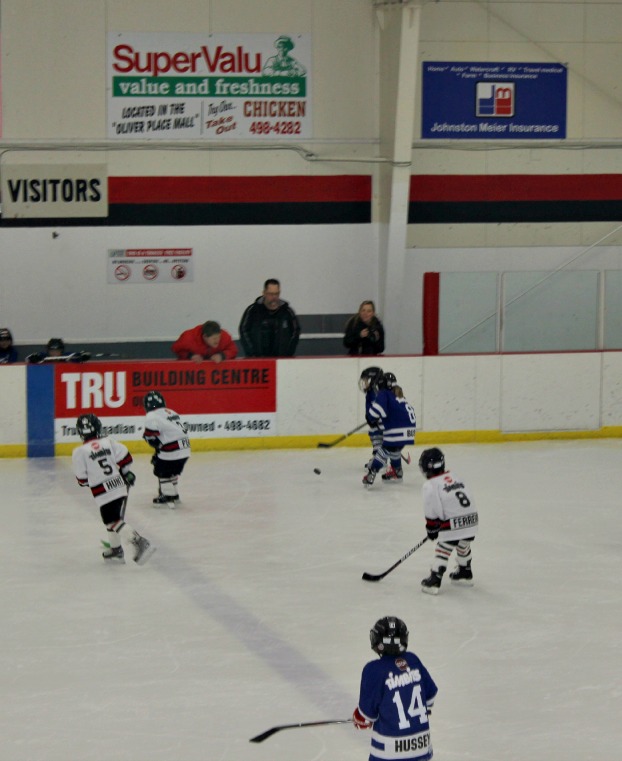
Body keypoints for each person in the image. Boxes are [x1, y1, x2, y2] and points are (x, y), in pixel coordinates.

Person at [72, 413, 155, 565]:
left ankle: (139, 541)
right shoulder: (108, 442)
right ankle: (116, 551)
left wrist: (92, 479)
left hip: (103, 493)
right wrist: (125, 472)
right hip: (119, 487)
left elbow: (82, 480)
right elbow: (126, 458)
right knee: (113, 519)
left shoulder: (79, 452)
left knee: (111, 520)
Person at [353, 616, 438, 761]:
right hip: (421, 748)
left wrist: (359, 718)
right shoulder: (413, 660)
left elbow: (366, 716)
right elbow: (430, 698)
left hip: (389, 753)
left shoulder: (373, 669)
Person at [418, 448, 478, 595]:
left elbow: (431, 508)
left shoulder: (430, 485)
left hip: (453, 524)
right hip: (472, 521)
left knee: (443, 548)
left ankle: (435, 579)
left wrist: (432, 528)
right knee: (463, 544)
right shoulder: (455, 476)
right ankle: (465, 572)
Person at [363, 371, 416, 486]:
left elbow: (376, 411)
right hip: (409, 431)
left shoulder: (384, 393)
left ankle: (371, 473)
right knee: (394, 450)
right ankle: (397, 471)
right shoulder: (398, 393)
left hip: (397, 431)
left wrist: (370, 417)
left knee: (384, 451)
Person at [142, 390, 191, 506]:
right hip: (186, 449)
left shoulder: (151, 415)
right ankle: (174, 493)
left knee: (161, 471)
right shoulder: (171, 412)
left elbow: (150, 436)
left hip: (172, 450)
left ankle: (168, 495)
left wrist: (157, 450)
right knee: (172, 471)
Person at [238, 278, 300, 357]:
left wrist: (288, 353)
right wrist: (252, 354)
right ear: (264, 293)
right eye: (271, 294)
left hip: (281, 359)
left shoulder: (287, 312)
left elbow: (295, 331)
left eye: (276, 294)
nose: (274, 297)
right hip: (257, 359)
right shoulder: (252, 311)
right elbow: (243, 330)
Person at [172, 320, 238, 363]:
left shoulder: (225, 337)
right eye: (214, 338)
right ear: (205, 337)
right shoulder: (188, 338)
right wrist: (190, 356)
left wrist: (222, 355)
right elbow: (176, 349)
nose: (217, 340)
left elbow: (233, 350)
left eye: (219, 337)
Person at [359, 366, 384, 469]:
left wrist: (372, 418)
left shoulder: (375, 393)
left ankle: (380, 460)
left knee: (375, 433)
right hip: (382, 422)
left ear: (373, 381)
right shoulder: (372, 392)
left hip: (382, 423)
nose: (364, 383)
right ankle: (379, 458)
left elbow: (377, 410)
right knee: (375, 433)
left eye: (366, 380)